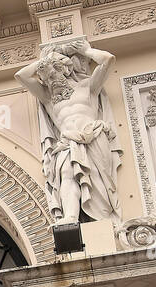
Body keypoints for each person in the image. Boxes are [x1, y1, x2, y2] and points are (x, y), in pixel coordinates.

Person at [16, 37, 122, 224]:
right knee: (66, 173)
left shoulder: (87, 87)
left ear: (65, 70)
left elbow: (108, 60)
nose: (50, 81)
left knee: (96, 179)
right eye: (46, 78)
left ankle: (103, 219)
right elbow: (21, 76)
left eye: (52, 75)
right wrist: (46, 58)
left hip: (93, 137)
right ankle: (70, 217)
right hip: (66, 142)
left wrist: (87, 51)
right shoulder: (49, 98)